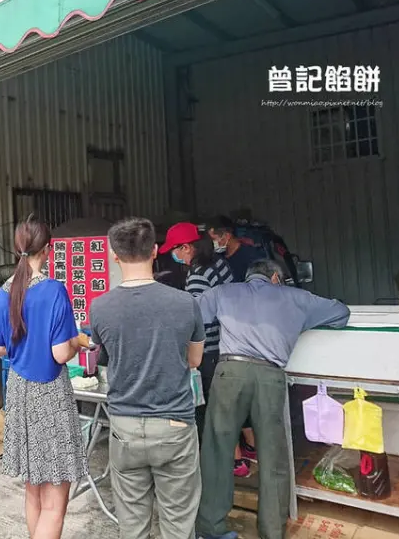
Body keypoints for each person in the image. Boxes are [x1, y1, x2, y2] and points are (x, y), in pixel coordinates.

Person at [196, 260, 350, 539]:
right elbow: (341, 313)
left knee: (217, 449)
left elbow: (192, 316)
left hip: (230, 372)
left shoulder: (223, 292)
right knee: (273, 454)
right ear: (276, 277)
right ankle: (271, 531)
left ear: (248, 278)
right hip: (270, 376)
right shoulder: (299, 298)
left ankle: (210, 527)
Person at [90, 218, 205, 539]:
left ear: (114, 256)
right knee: (178, 522)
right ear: (155, 251)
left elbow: (105, 358)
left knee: (132, 523)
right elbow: (194, 361)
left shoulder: (100, 308)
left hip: (125, 425)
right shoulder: (185, 303)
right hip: (175, 424)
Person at [0, 217, 87, 539]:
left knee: (33, 490)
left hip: (19, 390)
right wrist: (77, 342)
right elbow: (60, 354)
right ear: (49, 248)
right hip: (50, 395)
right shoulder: (53, 290)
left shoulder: (6, 291)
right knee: (55, 498)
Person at [159, 223, 238, 459]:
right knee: (225, 406)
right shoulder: (219, 263)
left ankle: (213, 458)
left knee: (206, 409)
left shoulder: (198, 274)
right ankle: (233, 455)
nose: (174, 257)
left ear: (186, 247)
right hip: (228, 342)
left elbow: (197, 320)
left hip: (209, 349)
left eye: (175, 251)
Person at [207, 216, 265, 283]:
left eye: (213, 239)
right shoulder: (217, 257)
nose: (211, 243)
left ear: (227, 236)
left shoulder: (251, 256)